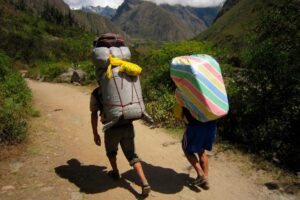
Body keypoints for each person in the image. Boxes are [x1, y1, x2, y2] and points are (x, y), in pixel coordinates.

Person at [90, 86, 151, 196]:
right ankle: (144, 182)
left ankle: (116, 172)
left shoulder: (96, 92)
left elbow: (94, 113)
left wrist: (95, 133)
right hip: (127, 125)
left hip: (111, 128)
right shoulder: (122, 87)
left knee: (111, 152)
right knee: (132, 155)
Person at [174, 103, 217, 190]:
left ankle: (201, 175)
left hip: (196, 125)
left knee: (186, 148)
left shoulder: (187, 95)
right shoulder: (208, 97)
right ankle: (205, 181)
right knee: (201, 151)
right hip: (211, 125)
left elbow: (179, 113)